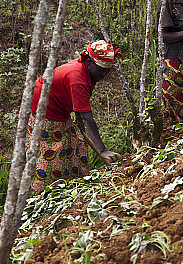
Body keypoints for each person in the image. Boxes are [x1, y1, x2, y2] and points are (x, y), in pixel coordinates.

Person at [27, 40, 123, 195]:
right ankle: (44, 194)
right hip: (45, 112)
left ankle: (75, 184)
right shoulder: (77, 77)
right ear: (89, 62)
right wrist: (102, 150)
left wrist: (77, 113)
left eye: (107, 71)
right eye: (101, 70)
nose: (104, 75)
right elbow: (87, 117)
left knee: (74, 144)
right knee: (51, 153)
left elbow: (79, 106)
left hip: (61, 109)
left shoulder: (89, 73)